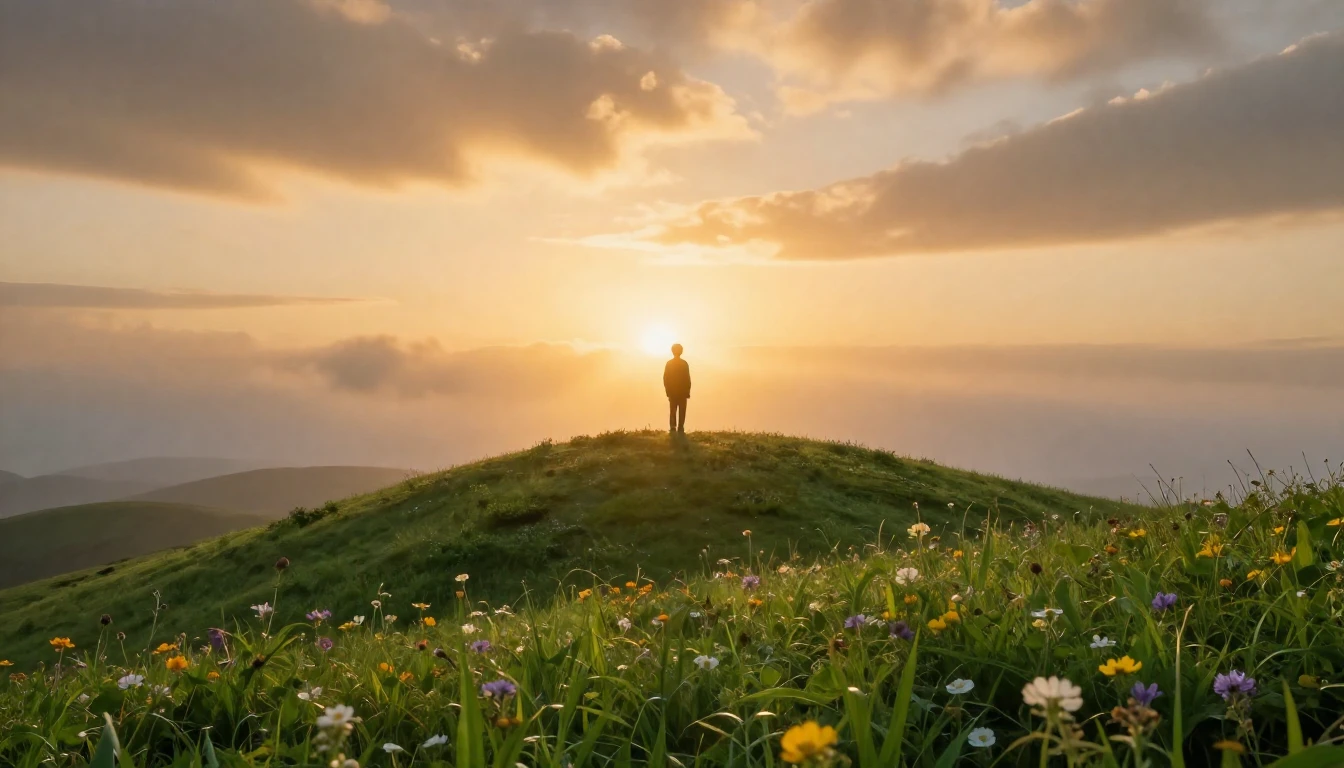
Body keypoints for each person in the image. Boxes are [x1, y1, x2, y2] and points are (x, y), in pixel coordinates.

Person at [663, 343, 691, 434]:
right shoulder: (684, 363)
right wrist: (687, 391)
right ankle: (680, 427)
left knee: (673, 410)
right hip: (682, 391)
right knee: (682, 410)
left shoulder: (669, 363)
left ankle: (673, 427)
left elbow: (665, 378)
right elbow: (687, 378)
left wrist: (667, 390)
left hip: (673, 391)